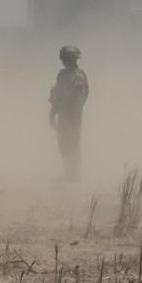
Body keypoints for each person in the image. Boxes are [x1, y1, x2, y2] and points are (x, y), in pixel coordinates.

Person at [48, 45, 89, 181]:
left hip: (73, 117)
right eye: (64, 58)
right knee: (63, 145)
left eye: (68, 58)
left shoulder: (79, 75)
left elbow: (80, 97)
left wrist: (74, 117)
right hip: (62, 116)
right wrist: (52, 114)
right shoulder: (62, 74)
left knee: (73, 145)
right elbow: (56, 94)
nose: (65, 61)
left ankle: (74, 176)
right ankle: (68, 174)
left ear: (74, 59)